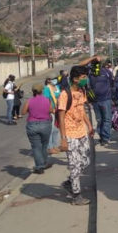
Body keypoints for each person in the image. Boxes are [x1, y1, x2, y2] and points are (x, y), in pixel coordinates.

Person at [58, 66, 95, 206]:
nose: (85, 80)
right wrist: (63, 139)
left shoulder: (81, 91)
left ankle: (70, 183)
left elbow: (82, 110)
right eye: (83, 77)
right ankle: (76, 196)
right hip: (70, 134)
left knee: (85, 162)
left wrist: (89, 125)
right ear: (75, 79)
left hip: (82, 132)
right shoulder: (64, 94)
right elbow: (60, 117)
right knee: (74, 165)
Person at [82, 57, 115, 146]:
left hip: (106, 99)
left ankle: (105, 138)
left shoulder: (107, 72)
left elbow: (112, 84)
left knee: (107, 119)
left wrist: (113, 98)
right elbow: (80, 65)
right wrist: (93, 57)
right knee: (100, 120)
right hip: (95, 100)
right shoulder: (89, 72)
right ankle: (102, 137)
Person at [22, 83, 53, 174]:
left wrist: (30, 110)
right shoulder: (47, 100)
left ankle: (39, 167)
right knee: (44, 145)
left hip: (32, 125)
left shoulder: (29, 101)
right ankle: (44, 163)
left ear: (33, 91)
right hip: (45, 124)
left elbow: (23, 112)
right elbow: (51, 110)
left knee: (36, 147)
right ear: (42, 91)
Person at [44, 75, 62, 154]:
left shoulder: (57, 87)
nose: (54, 81)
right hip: (51, 111)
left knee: (56, 129)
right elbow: (46, 100)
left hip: (58, 110)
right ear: (49, 81)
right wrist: (51, 110)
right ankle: (50, 147)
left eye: (55, 79)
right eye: (53, 79)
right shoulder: (47, 88)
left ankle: (55, 145)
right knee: (50, 129)